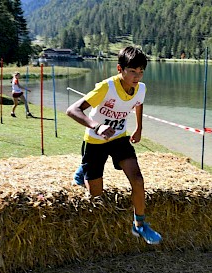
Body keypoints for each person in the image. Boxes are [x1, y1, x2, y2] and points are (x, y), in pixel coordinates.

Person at [66, 46, 162, 245]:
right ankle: (83, 172)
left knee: (137, 179)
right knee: (96, 194)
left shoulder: (141, 88)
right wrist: (97, 126)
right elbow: (72, 110)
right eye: (132, 71)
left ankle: (139, 225)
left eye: (141, 72)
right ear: (120, 69)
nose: (137, 77)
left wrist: (139, 128)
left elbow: (138, 102)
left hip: (119, 138)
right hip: (95, 141)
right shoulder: (106, 87)